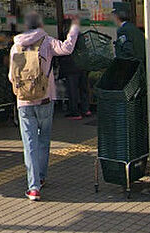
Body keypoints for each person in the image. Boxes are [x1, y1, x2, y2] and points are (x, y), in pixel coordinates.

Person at [8, 11, 80, 201]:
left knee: (29, 144)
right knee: (43, 139)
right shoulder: (47, 41)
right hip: (45, 98)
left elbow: (11, 76)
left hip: (23, 101)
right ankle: (41, 177)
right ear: (40, 25)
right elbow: (67, 48)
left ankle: (33, 188)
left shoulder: (16, 45)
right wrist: (74, 27)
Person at [59, 20, 90, 120]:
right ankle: (86, 109)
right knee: (83, 89)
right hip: (82, 66)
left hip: (72, 67)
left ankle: (75, 112)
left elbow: (64, 50)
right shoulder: (80, 36)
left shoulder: (68, 36)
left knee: (73, 91)